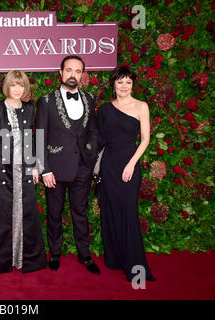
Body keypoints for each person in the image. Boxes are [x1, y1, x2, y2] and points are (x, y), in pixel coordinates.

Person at [35, 55, 100, 274]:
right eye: (69, 70)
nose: (73, 75)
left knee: (80, 212)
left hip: (82, 167)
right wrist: (44, 169)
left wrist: (90, 156)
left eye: (78, 71)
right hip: (55, 168)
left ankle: (85, 254)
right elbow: (40, 137)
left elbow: (93, 131)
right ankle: (54, 253)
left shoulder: (90, 99)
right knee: (54, 212)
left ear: (83, 75)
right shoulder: (46, 101)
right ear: (60, 73)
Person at [0, 70, 47, 275]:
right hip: (3, 171)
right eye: (13, 85)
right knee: (1, 216)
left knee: (24, 214)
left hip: (24, 170)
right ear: (7, 87)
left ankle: (22, 259)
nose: (17, 89)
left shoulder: (29, 109)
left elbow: (32, 139)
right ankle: (0, 262)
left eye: (21, 85)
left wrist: (36, 166)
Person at [96, 65, 155, 282]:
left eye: (128, 82)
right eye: (120, 82)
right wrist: (97, 170)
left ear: (132, 84)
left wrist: (131, 164)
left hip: (130, 164)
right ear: (113, 84)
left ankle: (134, 264)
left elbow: (145, 139)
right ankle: (114, 259)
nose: (124, 86)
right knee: (110, 211)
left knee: (128, 211)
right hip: (109, 165)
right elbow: (100, 142)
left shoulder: (141, 107)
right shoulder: (104, 109)